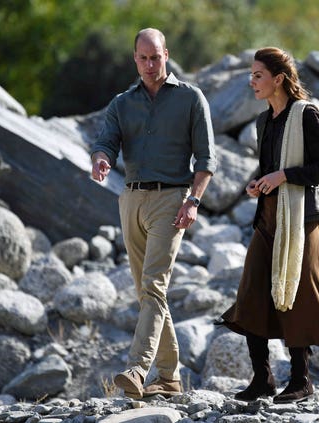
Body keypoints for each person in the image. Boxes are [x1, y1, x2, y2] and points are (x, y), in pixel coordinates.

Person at [90, 28, 216, 399]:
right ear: (135, 58)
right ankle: (170, 377)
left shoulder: (191, 98)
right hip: (130, 200)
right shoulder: (121, 103)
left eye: (156, 57)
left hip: (172, 201)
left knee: (154, 285)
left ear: (166, 54)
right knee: (147, 293)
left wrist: (193, 201)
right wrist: (100, 160)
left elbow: (207, 159)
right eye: (143, 58)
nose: (149, 64)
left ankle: (137, 368)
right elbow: (106, 143)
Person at [219, 47, 319, 404]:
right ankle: (263, 379)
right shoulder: (264, 121)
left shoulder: (306, 115)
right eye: (251, 74)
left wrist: (282, 176)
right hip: (269, 217)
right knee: (252, 293)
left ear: (279, 79)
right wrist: (259, 183)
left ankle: (302, 380)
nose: (252, 81)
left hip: (302, 219)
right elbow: (270, 170)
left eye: (258, 75)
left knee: (299, 294)